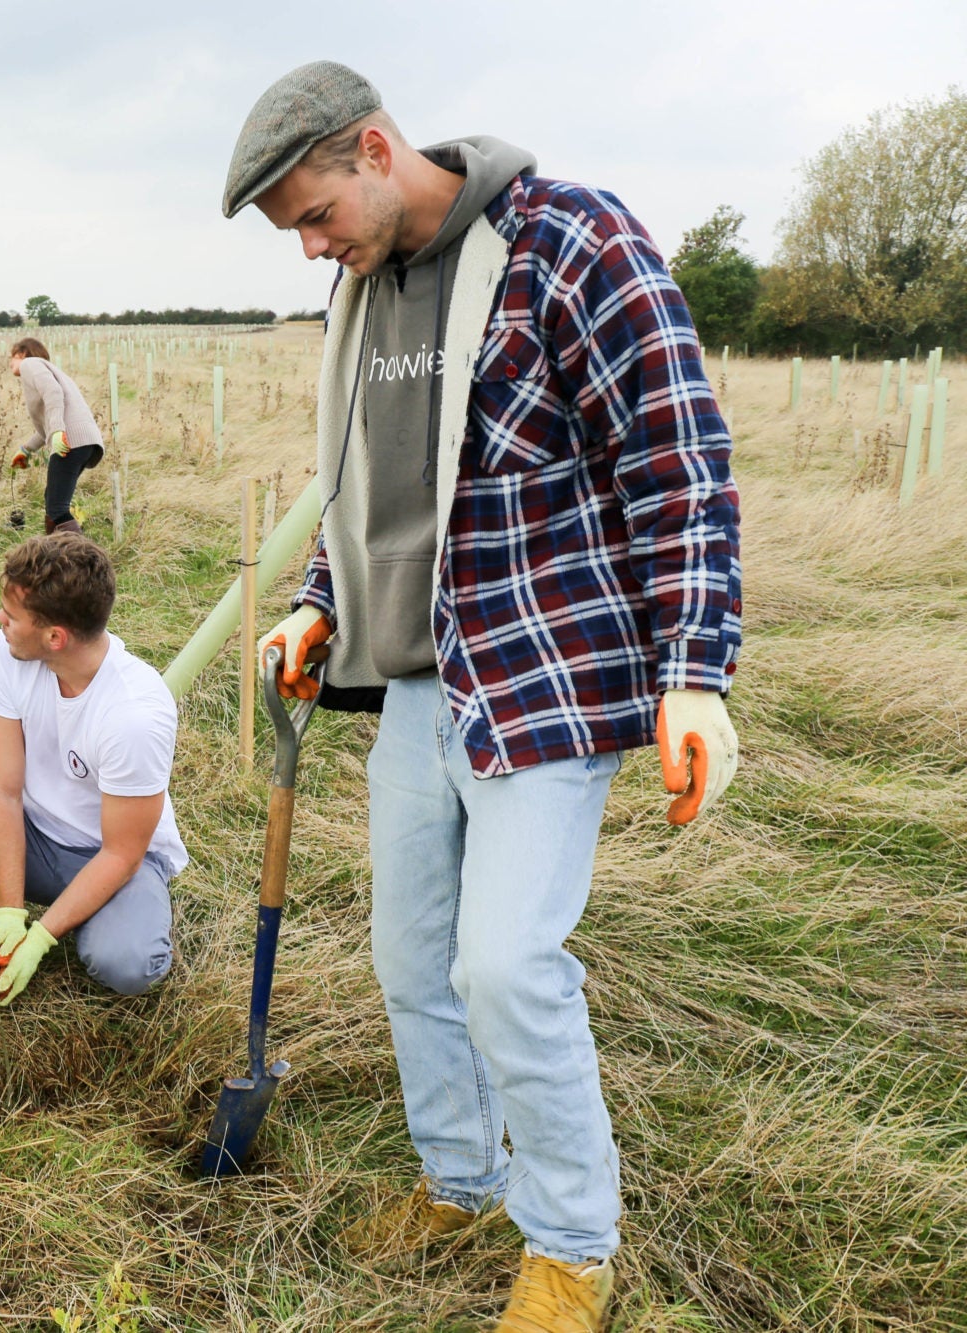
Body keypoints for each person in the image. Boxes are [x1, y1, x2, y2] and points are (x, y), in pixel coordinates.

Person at [223, 62, 741, 1332]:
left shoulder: (566, 241)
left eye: (312, 213)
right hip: (413, 681)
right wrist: (317, 605)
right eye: (291, 229)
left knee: (504, 966)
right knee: (410, 960)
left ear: (375, 149)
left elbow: (675, 459)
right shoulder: (363, 294)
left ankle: (570, 1245)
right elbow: (359, 487)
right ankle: (459, 1179)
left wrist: (693, 674)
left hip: (543, 676)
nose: (309, 247)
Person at [0, 532, 184, 1002]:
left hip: (111, 853)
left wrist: (39, 937)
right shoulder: (0, 655)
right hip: (33, 829)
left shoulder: (134, 715)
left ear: (55, 637)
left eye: (12, 616)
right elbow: (1, 791)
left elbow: (122, 854)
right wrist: (9, 914)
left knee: (128, 963)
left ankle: (113, 918)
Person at [7, 336, 106, 534]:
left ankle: (82, 557)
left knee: (57, 507)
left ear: (22, 353)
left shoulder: (30, 363)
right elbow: (45, 429)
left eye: (12, 357)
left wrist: (59, 431)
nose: (10, 362)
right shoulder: (49, 371)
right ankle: (55, 552)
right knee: (53, 500)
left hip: (70, 441)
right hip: (84, 442)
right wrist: (26, 450)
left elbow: (53, 393)